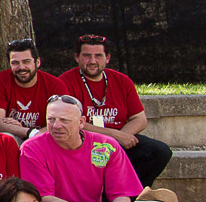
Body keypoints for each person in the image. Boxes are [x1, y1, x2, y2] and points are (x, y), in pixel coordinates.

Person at [20, 94, 138, 202]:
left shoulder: (105, 145)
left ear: (81, 122)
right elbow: (44, 199)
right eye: (51, 119)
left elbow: (122, 193)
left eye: (64, 120)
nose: (56, 126)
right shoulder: (32, 148)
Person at [59, 34, 171, 187]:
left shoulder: (122, 80)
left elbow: (139, 118)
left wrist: (120, 138)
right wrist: (114, 137)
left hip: (120, 140)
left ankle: (131, 197)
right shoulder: (65, 82)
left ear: (108, 58)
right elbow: (72, 123)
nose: (92, 61)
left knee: (159, 151)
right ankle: (103, 199)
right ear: (77, 58)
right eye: (86, 56)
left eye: (98, 56)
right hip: (84, 142)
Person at [0, 38, 65, 141]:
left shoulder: (54, 85)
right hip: (13, 139)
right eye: (15, 63)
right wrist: (28, 132)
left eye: (26, 62)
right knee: (8, 137)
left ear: (37, 62)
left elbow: (63, 121)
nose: (21, 67)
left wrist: (35, 134)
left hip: (44, 138)